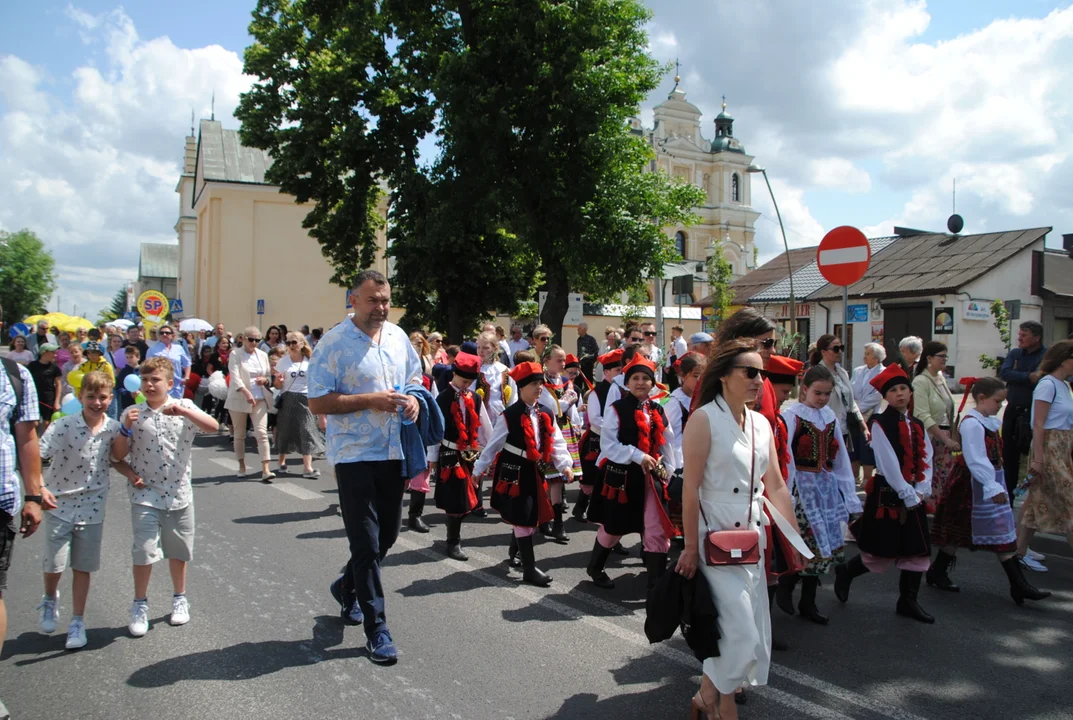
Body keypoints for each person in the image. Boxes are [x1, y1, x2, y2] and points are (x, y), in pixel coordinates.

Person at [673, 338, 800, 720]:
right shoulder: (704, 419)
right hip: (713, 539)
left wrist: (796, 541)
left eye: (761, 373)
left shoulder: (762, 422)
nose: (758, 379)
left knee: (753, 635)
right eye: (750, 371)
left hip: (750, 540)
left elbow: (775, 484)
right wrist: (690, 547)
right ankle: (720, 705)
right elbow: (690, 487)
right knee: (741, 635)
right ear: (724, 376)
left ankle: (705, 697)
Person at [307, 269, 423, 666]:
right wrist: (369, 400)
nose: (382, 308)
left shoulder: (397, 336)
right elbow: (318, 403)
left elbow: (414, 379)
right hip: (354, 454)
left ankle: (346, 585)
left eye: (386, 300)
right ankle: (378, 630)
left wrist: (414, 401)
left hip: (393, 451)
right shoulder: (334, 343)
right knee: (366, 543)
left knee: (387, 536)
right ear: (352, 300)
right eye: (373, 300)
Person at [112, 357, 219, 638]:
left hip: (178, 493)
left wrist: (186, 413)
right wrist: (124, 428)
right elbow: (118, 454)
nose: (149, 384)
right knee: (144, 551)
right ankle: (139, 604)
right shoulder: (133, 412)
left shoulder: (184, 406)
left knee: (178, 550)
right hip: (145, 493)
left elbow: (213, 427)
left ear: (170, 384)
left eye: (155, 379)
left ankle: (179, 597)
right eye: (145, 379)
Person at [927, 376, 1050, 605]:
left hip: (986, 481)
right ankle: (1017, 584)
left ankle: (939, 571)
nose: (1001, 405)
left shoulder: (986, 421)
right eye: (998, 401)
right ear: (982, 398)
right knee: (979, 531)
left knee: (980, 530)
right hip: (972, 485)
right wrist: (991, 485)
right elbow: (976, 459)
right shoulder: (972, 423)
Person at [834, 363, 936, 624]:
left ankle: (908, 600)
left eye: (903, 388)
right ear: (885, 396)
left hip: (914, 493)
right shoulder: (880, 423)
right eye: (893, 390)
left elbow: (927, 457)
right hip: (890, 493)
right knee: (880, 549)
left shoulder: (916, 423)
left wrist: (923, 487)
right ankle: (847, 571)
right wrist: (906, 492)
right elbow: (887, 460)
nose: (899, 394)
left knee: (916, 550)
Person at [37, 371, 128, 649]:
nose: (97, 402)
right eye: (91, 397)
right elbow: (37, 457)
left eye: (102, 397)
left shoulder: (112, 428)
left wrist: (134, 475)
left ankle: (77, 621)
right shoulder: (63, 426)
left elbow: (116, 459)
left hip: (92, 507)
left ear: (110, 398)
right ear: (80, 397)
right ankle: (49, 599)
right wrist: (39, 488)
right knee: (54, 563)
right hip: (59, 503)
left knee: (82, 567)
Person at [473, 361, 573, 587]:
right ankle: (529, 569)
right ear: (521, 387)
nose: (539, 388)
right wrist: (479, 469)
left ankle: (514, 551)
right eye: (534, 384)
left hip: (535, 469)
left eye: (541, 383)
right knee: (524, 515)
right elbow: (493, 445)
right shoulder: (509, 415)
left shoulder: (546, 412)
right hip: (515, 469)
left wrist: (565, 464)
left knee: (529, 514)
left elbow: (556, 441)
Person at [775, 365, 861, 625]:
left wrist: (847, 493)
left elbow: (841, 458)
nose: (822, 399)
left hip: (825, 488)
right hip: (802, 489)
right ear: (805, 390)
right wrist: (786, 493)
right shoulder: (792, 416)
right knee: (803, 543)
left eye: (827, 394)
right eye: (818, 393)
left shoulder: (830, 417)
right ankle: (786, 588)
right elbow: (786, 457)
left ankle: (808, 602)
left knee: (823, 548)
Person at [586, 355, 676, 591]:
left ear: (652, 383)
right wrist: (638, 456)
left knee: (655, 526)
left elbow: (668, 443)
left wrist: (670, 470)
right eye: (635, 378)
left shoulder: (658, 409)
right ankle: (595, 567)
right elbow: (608, 446)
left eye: (645, 378)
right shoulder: (617, 409)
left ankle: (656, 581)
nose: (640, 383)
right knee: (614, 526)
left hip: (652, 479)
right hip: (622, 477)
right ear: (627, 382)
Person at [427, 352, 493, 561]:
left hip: (471, 452)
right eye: (463, 381)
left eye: (469, 382)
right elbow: (434, 431)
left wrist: (489, 454)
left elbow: (486, 428)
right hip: (449, 452)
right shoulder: (442, 398)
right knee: (456, 497)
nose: (466, 385)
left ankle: (453, 531)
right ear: (454, 374)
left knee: (469, 496)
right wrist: (433, 457)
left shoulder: (475, 398)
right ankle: (453, 541)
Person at [1016, 340, 1073, 568]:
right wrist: (1038, 459)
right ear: (1065, 359)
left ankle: (1019, 552)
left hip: (1063, 448)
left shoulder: (1065, 386)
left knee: (1035, 501)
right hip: (1048, 448)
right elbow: (1038, 425)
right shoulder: (1047, 384)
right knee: (1068, 501)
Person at [539, 345, 585, 543]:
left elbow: (570, 411)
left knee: (558, 477)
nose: (563, 363)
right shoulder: (541, 381)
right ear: (546, 361)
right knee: (549, 477)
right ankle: (547, 518)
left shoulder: (565, 381)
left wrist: (576, 422)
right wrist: (567, 401)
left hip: (564, 430)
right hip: (547, 429)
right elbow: (550, 408)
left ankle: (557, 521)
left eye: (563, 360)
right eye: (558, 360)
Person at [1000, 321, 1046, 509]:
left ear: (1036, 337)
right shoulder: (1015, 354)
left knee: (1030, 456)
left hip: (1031, 412)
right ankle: (1008, 499)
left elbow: (1041, 378)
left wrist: (1018, 375)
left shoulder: (1045, 355)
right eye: (1019, 335)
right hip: (1012, 411)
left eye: (1024, 335)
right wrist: (1027, 376)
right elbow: (1005, 373)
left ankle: (1031, 500)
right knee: (1009, 456)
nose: (1019, 339)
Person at [576, 348, 624, 523]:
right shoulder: (598, 392)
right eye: (617, 370)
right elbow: (595, 419)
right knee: (591, 475)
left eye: (622, 370)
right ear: (606, 372)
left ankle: (594, 510)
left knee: (605, 477)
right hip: (597, 438)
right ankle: (580, 507)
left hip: (614, 438)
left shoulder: (621, 389)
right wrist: (614, 428)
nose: (621, 374)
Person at [663, 351, 705, 540]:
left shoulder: (705, 399)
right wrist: (675, 466)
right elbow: (671, 438)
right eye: (696, 376)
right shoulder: (675, 403)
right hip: (682, 460)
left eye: (704, 376)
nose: (700, 380)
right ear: (682, 376)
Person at [225, 326, 275, 483]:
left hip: (259, 398)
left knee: (261, 433)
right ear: (243, 339)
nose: (254, 343)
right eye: (251, 339)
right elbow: (235, 376)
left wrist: (265, 380)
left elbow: (268, 374)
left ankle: (266, 469)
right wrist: (246, 392)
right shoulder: (235, 354)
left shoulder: (262, 355)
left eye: (257, 340)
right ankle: (241, 466)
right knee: (239, 435)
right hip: (240, 398)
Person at [810, 334, 867, 466]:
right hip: (824, 427)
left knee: (842, 464)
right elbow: (809, 403)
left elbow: (850, 401)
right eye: (836, 349)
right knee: (828, 465)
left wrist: (861, 422)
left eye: (841, 347)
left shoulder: (842, 372)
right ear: (823, 352)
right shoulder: (816, 373)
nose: (840, 352)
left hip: (844, 427)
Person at [912, 341, 959, 502]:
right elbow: (922, 415)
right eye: (941, 356)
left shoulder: (940, 378)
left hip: (944, 438)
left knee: (945, 480)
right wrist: (944, 438)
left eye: (946, 356)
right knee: (932, 479)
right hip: (932, 438)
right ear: (929, 358)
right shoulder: (920, 381)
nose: (945, 359)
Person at [274, 332, 324, 477]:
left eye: (294, 342)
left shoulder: (311, 360)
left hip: (306, 398)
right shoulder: (283, 362)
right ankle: (281, 462)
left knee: (306, 430)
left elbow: (317, 380)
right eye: (288, 343)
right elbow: (277, 386)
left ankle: (307, 468)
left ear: (302, 343)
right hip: (288, 398)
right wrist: (279, 381)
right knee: (285, 431)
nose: (291, 346)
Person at [851, 343, 886, 483]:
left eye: (868, 354)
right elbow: (850, 390)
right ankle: (854, 477)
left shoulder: (884, 372)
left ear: (877, 358)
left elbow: (877, 395)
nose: (864, 356)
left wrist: (858, 409)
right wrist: (853, 408)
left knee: (867, 445)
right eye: (865, 353)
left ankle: (867, 478)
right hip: (854, 414)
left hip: (873, 414)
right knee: (853, 445)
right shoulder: (858, 371)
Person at [146, 325, 190, 400]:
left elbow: (187, 363)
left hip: (177, 384)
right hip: (160, 383)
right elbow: (147, 366)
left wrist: (186, 376)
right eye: (161, 333)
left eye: (167, 333)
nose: (164, 334)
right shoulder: (152, 349)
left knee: (176, 407)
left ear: (172, 335)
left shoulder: (178, 348)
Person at [28, 344, 62, 433]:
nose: (55, 355)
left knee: (47, 423)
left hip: (48, 398)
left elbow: (58, 384)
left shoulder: (54, 367)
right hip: (34, 397)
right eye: (53, 352)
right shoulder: (32, 365)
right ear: (44, 352)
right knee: (34, 423)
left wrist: (57, 402)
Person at [116, 346, 142, 411]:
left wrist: (141, 392)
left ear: (138, 357)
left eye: (131, 357)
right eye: (127, 357)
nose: (129, 359)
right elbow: (119, 387)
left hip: (142, 401)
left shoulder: (143, 371)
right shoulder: (124, 372)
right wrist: (128, 393)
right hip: (128, 403)